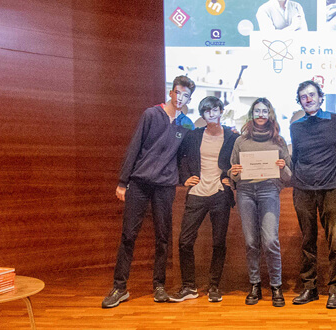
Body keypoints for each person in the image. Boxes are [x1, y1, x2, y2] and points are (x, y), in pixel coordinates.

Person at [102, 76, 196, 308]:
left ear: (189, 98)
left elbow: (182, 156)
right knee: (128, 236)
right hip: (140, 183)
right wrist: (123, 182)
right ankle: (119, 287)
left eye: (186, 95)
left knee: (163, 238)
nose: (180, 98)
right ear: (171, 92)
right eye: (178, 92)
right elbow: (135, 146)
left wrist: (185, 178)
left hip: (165, 186)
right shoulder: (151, 114)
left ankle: (159, 286)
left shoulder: (186, 124)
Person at [170, 96, 240, 303]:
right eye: (206, 110)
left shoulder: (231, 136)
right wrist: (184, 179)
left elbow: (237, 162)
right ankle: (189, 287)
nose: (211, 113)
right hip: (197, 192)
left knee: (219, 243)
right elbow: (179, 158)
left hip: (220, 193)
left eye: (215, 109)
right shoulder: (193, 136)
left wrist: (230, 178)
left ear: (220, 111)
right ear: (202, 114)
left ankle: (214, 286)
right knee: (185, 241)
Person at [229, 98, 292, 307]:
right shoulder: (241, 141)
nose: (261, 114)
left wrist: (282, 167)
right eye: (257, 111)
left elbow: (288, 176)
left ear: (271, 114)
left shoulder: (279, 141)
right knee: (250, 242)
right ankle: (254, 285)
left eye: (265, 111)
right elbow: (233, 171)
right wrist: (234, 172)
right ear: (251, 114)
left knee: (270, 241)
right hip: (245, 192)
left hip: (268, 191)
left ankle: (276, 286)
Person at [289, 80, 336, 309]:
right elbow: (296, 157)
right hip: (303, 189)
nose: (308, 99)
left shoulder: (335, 120)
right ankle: (309, 288)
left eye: (312, 95)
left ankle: (335, 290)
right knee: (307, 241)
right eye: (304, 96)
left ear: (321, 97)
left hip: (331, 188)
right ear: (300, 101)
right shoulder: (295, 126)